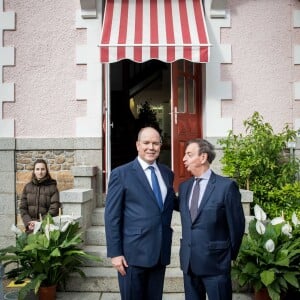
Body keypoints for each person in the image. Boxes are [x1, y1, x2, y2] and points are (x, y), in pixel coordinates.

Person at [104, 127, 176, 300]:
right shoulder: (121, 174)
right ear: (138, 145)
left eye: (156, 143)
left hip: (160, 253)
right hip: (132, 255)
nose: (151, 147)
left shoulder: (167, 173)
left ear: (161, 146)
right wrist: (115, 253)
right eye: (146, 143)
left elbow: (169, 203)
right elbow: (112, 216)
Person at [177, 138, 245, 300]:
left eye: (189, 154)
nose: (184, 159)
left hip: (216, 265)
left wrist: (227, 257)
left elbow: (237, 227)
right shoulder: (184, 187)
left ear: (203, 157)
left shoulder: (226, 187)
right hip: (189, 264)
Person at [20, 159, 60, 232]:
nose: (40, 172)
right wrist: (28, 222)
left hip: (46, 227)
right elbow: (23, 208)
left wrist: (39, 222)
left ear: (46, 170)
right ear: (34, 171)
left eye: (42, 169)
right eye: (37, 169)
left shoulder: (52, 188)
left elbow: (54, 209)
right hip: (30, 227)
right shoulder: (27, 187)